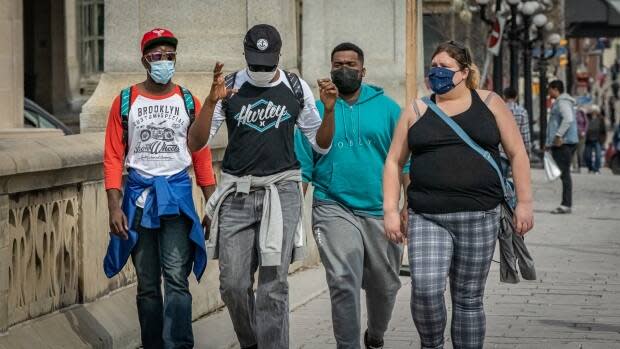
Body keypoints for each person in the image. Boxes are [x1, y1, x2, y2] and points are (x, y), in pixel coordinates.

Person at [187, 24, 336, 349]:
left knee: (273, 285)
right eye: (256, 62)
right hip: (237, 194)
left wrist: (329, 111)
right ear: (245, 56)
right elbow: (195, 143)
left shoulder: (295, 87)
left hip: (281, 192)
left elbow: (321, 145)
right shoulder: (229, 87)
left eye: (267, 63)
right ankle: (252, 342)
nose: (262, 69)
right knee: (233, 285)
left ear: (278, 57)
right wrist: (211, 103)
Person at [383, 40, 534, 349]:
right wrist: (390, 210)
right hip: (427, 216)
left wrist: (525, 204)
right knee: (425, 289)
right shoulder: (417, 109)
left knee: (467, 298)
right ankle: (432, 344)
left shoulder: (490, 103)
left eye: (445, 67)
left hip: (480, 215)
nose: (436, 72)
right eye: (433, 66)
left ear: (464, 72)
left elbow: (517, 153)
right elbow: (394, 161)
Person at [102, 28, 217, 349]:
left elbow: (202, 156)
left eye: (170, 56)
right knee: (148, 286)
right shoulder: (124, 101)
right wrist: (114, 206)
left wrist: (213, 204)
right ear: (144, 61)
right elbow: (113, 157)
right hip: (138, 201)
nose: (164, 61)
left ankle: (179, 344)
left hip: (177, 200)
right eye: (157, 56)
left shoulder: (188, 101)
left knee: (177, 281)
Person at [295, 42, 408, 349]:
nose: (343, 70)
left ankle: (375, 336)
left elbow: (405, 160)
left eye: (350, 64)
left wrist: (407, 204)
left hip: (380, 210)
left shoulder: (388, 109)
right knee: (343, 280)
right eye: (337, 64)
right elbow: (304, 166)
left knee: (385, 286)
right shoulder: (316, 111)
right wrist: (293, 216)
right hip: (333, 206)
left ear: (363, 70)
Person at [546, 80, 579, 214]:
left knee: (565, 174)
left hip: (564, 143)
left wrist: (559, 135)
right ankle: (566, 203)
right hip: (564, 142)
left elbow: (568, 119)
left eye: (549, 89)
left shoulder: (562, 102)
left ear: (555, 89)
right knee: (564, 174)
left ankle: (566, 204)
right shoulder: (563, 101)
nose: (548, 92)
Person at [503, 87, 531, 157]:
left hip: (502, 151)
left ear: (504, 97)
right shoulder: (522, 112)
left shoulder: (499, 110)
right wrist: (527, 150)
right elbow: (525, 133)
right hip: (516, 151)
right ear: (516, 97)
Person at [584, 104, 607, 173]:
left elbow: (604, 131)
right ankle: (590, 168)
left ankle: (596, 169)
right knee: (587, 156)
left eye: (595, 111)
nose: (593, 112)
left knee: (598, 156)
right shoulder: (587, 118)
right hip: (588, 140)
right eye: (592, 111)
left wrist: (602, 140)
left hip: (597, 140)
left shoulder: (601, 119)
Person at [572, 105, 588, 173]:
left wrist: (584, 131)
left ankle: (579, 166)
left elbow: (586, 123)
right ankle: (574, 167)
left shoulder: (582, 113)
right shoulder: (571, 113)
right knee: (573, 151)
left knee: (580, 152)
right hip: (573, 135)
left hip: (581, 135)